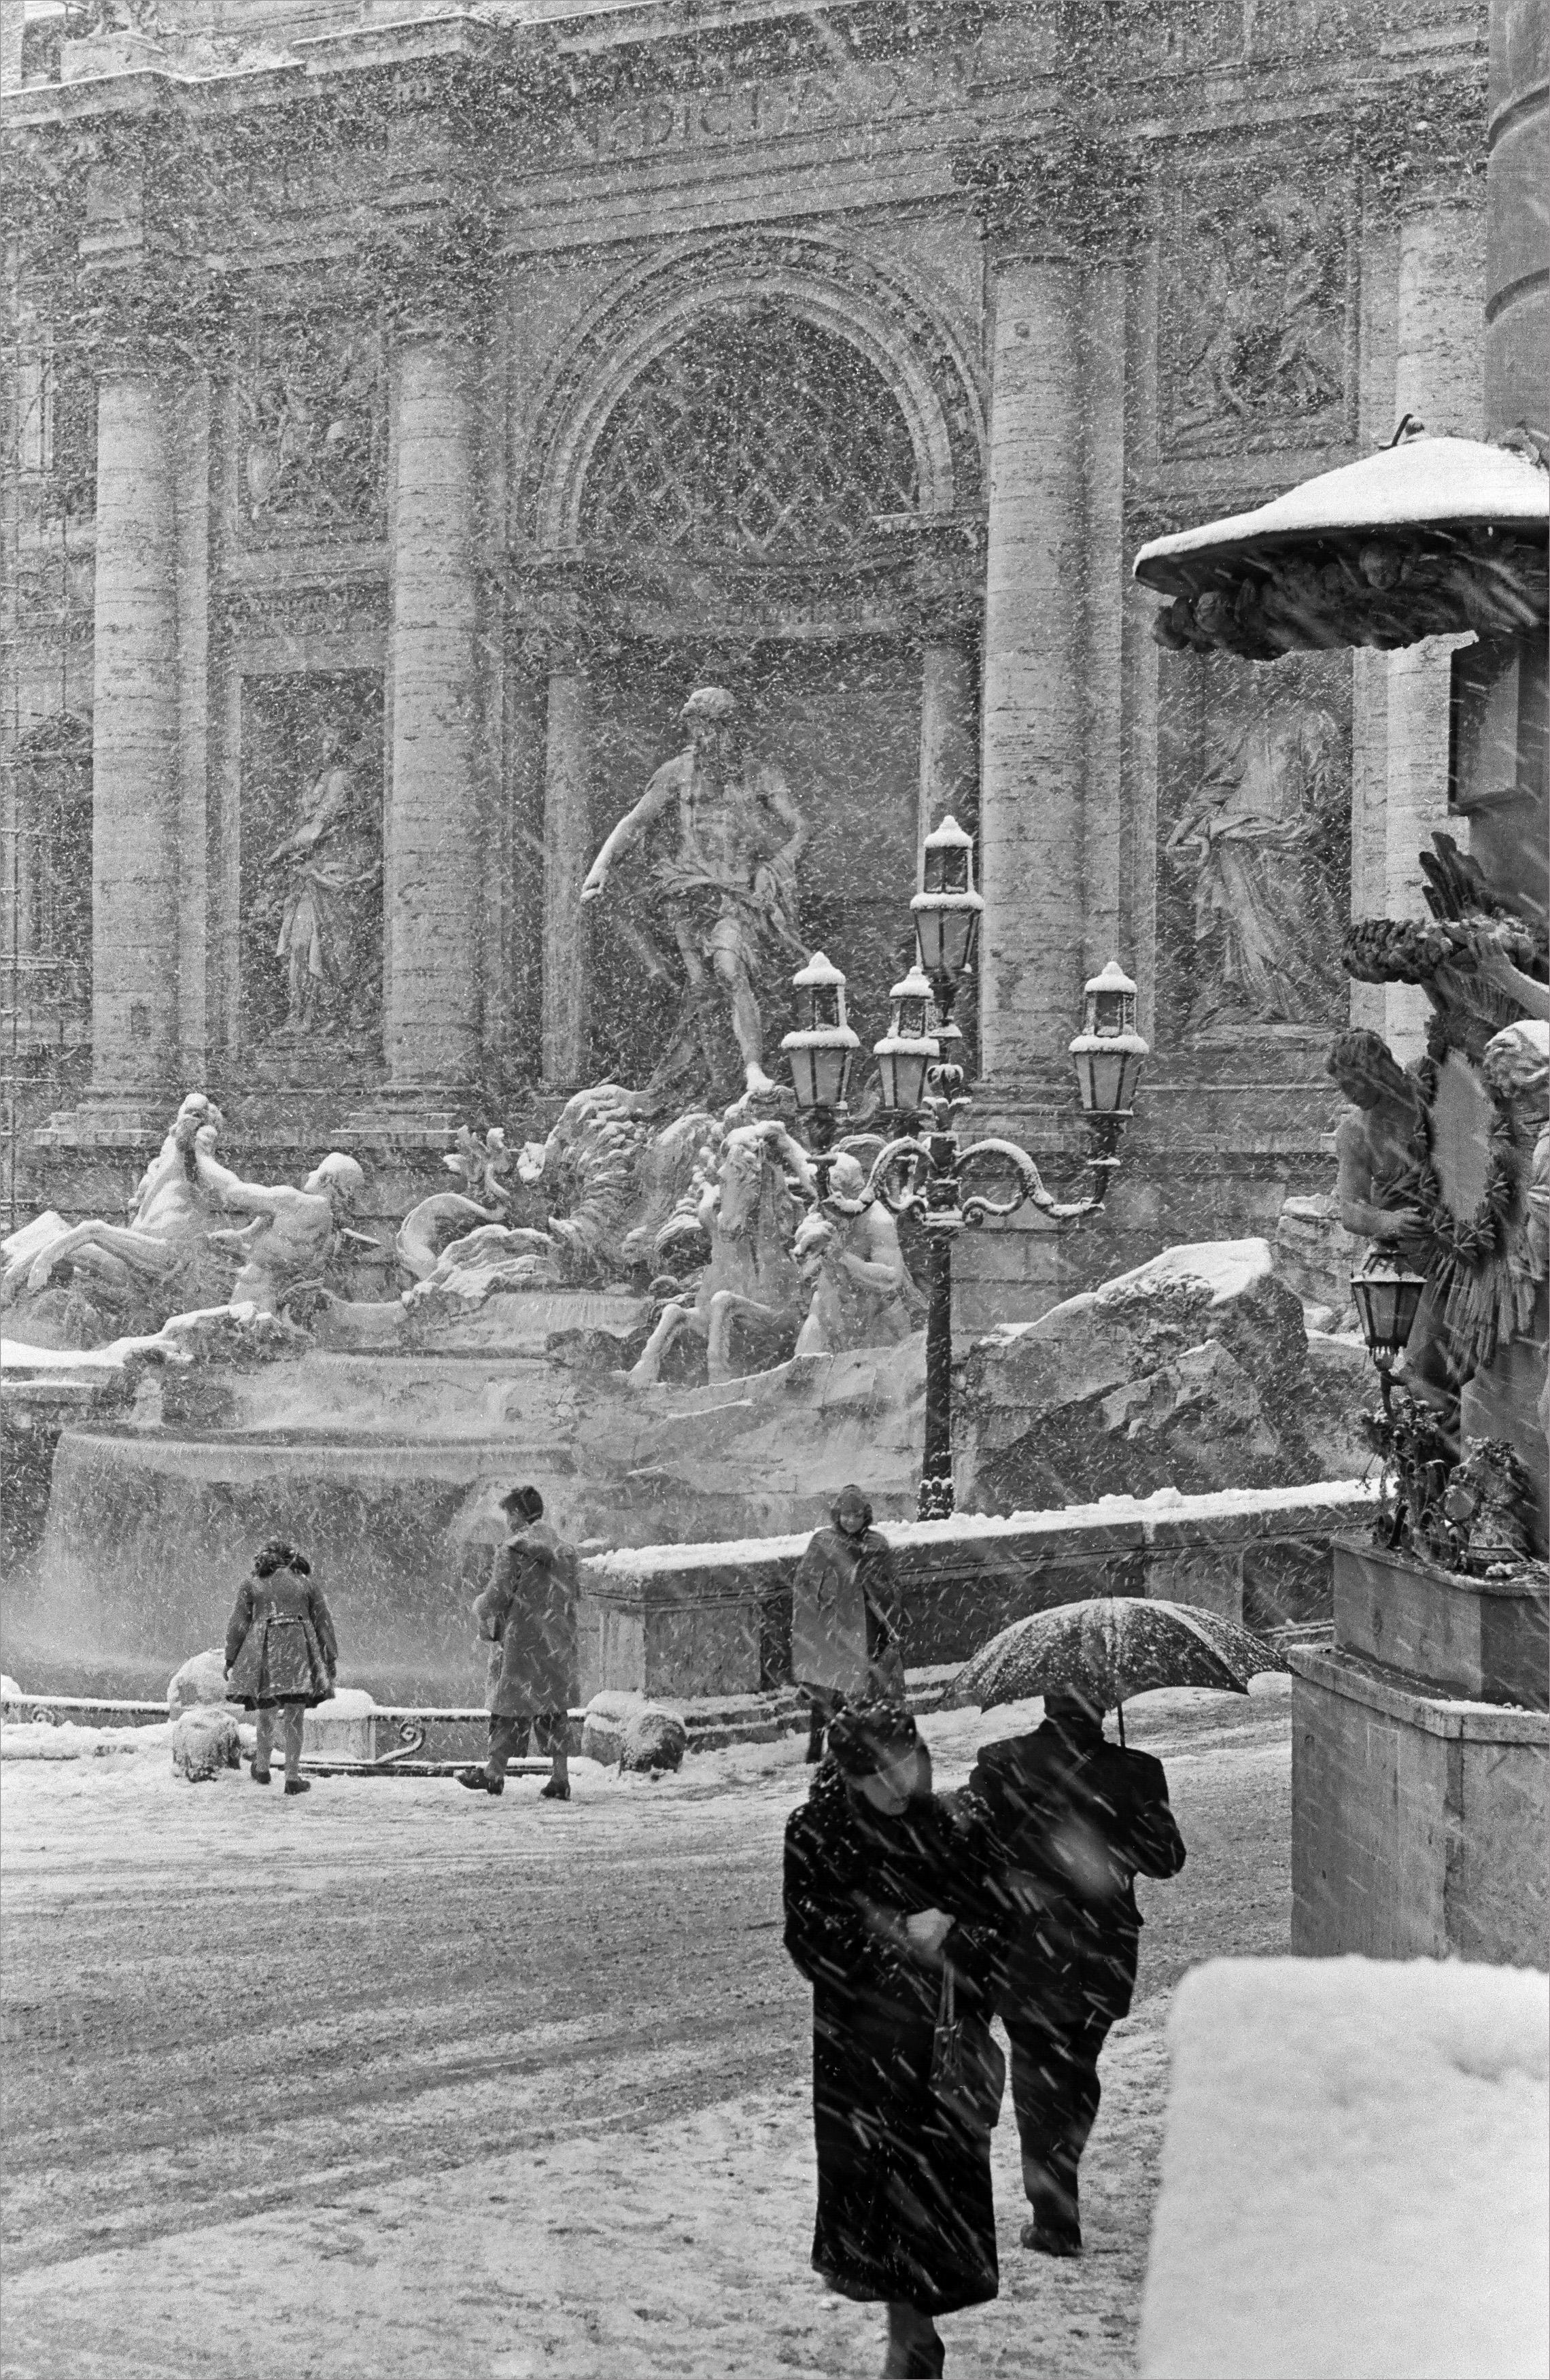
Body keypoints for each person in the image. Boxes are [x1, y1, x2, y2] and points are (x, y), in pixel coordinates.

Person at [784, 1699, 1010, 2380]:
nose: (895, 1785)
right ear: (848, 1773)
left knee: (925, 2201)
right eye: (877, 1773)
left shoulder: (950, 1826)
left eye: (903, 1766)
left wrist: (958, 1937)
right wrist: (894, 1941)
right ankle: (908, 2336)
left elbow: (998, 1923)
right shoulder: (817, 1831)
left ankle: (912, 2339)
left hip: (937, 2050)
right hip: (860, 2055)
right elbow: (809, 1939)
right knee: (883, 2203)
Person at [965, 1683, 1186, 2258]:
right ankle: (1062, 2182)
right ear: (1106, 1705)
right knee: (1079, 2070)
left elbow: (965, 1859)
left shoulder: (1002, 1762)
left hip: (1026, 1948)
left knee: (1038, 2080)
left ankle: (1055, 2218)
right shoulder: (1137, 1770)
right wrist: (1126, 1821)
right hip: (1104, 1953)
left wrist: (1015, 1875)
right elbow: (1166, 1861)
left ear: (1044, 1702)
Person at [579, 685, 808, 1100]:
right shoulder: (676, 773)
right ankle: (714, 1080)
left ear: (731, 728)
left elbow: (800, 830)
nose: (705, 739)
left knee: (730, 969)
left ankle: (753, 1070)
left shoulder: (760, 774)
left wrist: (773, 869)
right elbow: (634, 822)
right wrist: (601, 867)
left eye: (714, 729)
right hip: (687, 890)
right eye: (698, 729)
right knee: (703, 990)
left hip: (737, 892)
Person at [459, 1486, 579, 1802]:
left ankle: (494, 1772)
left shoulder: (514, 1550)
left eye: (508, 1515)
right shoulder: (565, 1551)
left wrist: (479, 1606)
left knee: (508, 1706)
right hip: (555, 1640)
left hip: (522, 1642)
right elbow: (573, 1595)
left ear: (517, 1515)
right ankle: (560, 1777)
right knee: (553, 1709)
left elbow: (498, 1596)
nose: (507, 1522)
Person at [791, 1486, 903, 1763]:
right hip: (830, 1625)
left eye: (856, 1515)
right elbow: (806, 1582)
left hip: (864, 1626)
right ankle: (816, 1743)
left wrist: (867, 1583)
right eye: (845, 1515)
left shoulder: (877, 1544)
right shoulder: (823, 1541)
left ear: (865, 1516)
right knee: (824, 1686)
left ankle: (842, 1743)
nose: (850, 1521)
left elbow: (889, 1584)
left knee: (855, 1689)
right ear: (836, 1515)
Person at [224, 1538, 338, 1795]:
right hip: (299, 1652)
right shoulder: (307, 1584)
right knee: (295, 1716)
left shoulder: (252, 1585)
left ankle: (262, 1768)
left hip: (265, 1653)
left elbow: (239, 1624)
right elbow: (323, 1622)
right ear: (291, 1558)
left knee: (266, 1712)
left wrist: (231, 1658)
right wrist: (330, 1656)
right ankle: (292, 1777)